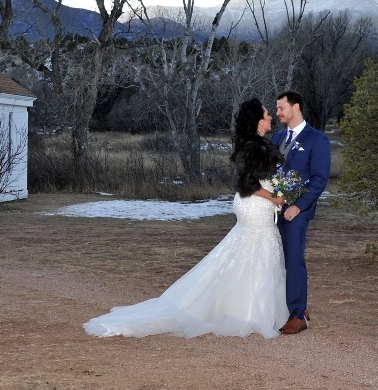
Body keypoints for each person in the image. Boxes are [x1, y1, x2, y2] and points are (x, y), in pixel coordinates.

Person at [83, 98, 289, 339]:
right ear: (257, 121)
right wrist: (273, 198)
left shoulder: (258, 144)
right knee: (257, 249)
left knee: (251, 252)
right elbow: (246, 184)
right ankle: (248, 313)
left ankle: (252, 308)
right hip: (255, 205)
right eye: (266, 114)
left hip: (259, 206)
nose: (270, 117)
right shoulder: (252, 147)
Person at [272, 91, 331, 335]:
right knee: (279, 259)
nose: (277, 113)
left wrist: (299, 206)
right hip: (274, 210)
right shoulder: (276, 137)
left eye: (281, 108)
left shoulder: (317, 140)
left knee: (294, 259)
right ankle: (297, 305)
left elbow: (319, 179)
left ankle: (297, 316)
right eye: (276, 109)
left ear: (296, 107)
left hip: (299, 211)